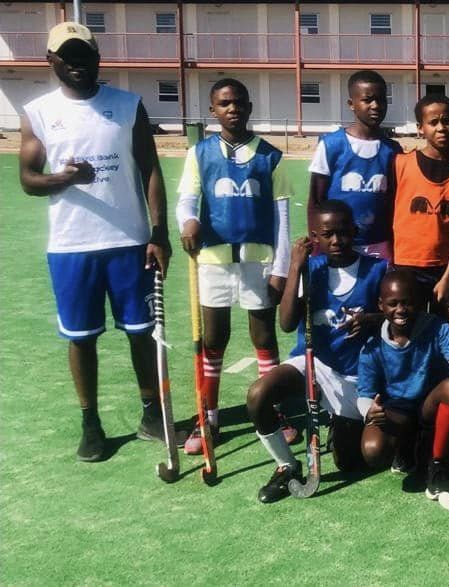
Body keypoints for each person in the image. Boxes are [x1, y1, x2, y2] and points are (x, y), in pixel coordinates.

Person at [19, 22, 173, 461]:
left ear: (98, 58)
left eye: (84, 55)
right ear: (51, 61)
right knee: (82, 338)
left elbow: (150, 168)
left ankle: (152, 415)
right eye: (67, 56)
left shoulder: (127, 105)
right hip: (71, 245)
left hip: (130, 241)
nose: (77, 64)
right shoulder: (38, 112)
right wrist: (63, 178)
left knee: (142, 334)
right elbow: (28, 180)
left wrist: (158, 233)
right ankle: (91, 424)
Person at [176, 78, 297, 454]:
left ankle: (273, 412)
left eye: (239, 102)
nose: (233, 109)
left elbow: (282, 220)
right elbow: (186, 201)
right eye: (224, 103)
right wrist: (188, 222)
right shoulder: (199, 154)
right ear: (212, 110)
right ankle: (208, 418)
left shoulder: (270, 157)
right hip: (213, 262)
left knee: (264, 338)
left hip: (258, 264)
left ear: (249, 107)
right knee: (213, 340)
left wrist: (280, 269)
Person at [246, 200, 387, 504]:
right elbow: (286, 323)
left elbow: (397, 318)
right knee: (259, 394)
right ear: (315, 237)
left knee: (349, 461)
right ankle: (286, 465)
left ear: (355, 231)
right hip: (313, 363)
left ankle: (342, 423)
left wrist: (371, 320)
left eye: (343, 232)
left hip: (356, 376)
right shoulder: (310, 269)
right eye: (327, 234)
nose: (336, 240)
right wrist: (295, 266)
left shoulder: (377, 269)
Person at [355, 270, 449, 499]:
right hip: (398, 411)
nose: (400, 309)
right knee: (373, 450)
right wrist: (369, 410)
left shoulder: (436, 328)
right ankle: (407, 446)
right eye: (392, 303)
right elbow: (364, 393)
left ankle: (438, 463)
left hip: (429, 405)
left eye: (407, 302)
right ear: (381, 305)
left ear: (419, 301)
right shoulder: (372, 345)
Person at [392, 94, 449, 314]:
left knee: (444, 330)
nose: (441, 128)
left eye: (446, 121)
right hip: (405, 265)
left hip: (443, 269)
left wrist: (448, 276)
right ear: (420, 128)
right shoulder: (401, 164)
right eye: (433, 122)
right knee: (410, 329)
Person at [308, 70, 402, 261]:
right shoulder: (331, 145)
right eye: (367, 100)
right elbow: (316, 200)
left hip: (378, 243)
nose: (375, 106)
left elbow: (395, 201)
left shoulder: (393, 150)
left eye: (381, 100)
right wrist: (317, 245)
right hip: (338, 244)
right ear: (351, 104)